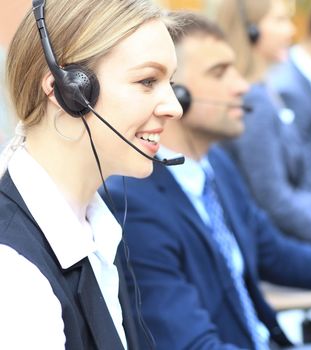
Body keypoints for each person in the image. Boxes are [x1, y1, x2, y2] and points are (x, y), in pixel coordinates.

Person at [103, 11, 311, 350]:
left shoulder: (217, 167)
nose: (242, 86)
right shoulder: (134, 205)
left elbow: (277, 256)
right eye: (220, 72)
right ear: (174, 96)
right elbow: (191, 344)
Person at [0, 0, 182, 349]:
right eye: (147, 81)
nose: (174, 106)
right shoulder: (13, 274)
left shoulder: (94, 226)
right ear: (68, 91)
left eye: (169, 82)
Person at [216, 0, 311, 248]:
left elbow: (294, 183)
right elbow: (274, 199)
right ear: (251, 30)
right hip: (280, 245)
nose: (291, 31)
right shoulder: (253, 99)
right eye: (280, 20)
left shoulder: (266, 91)